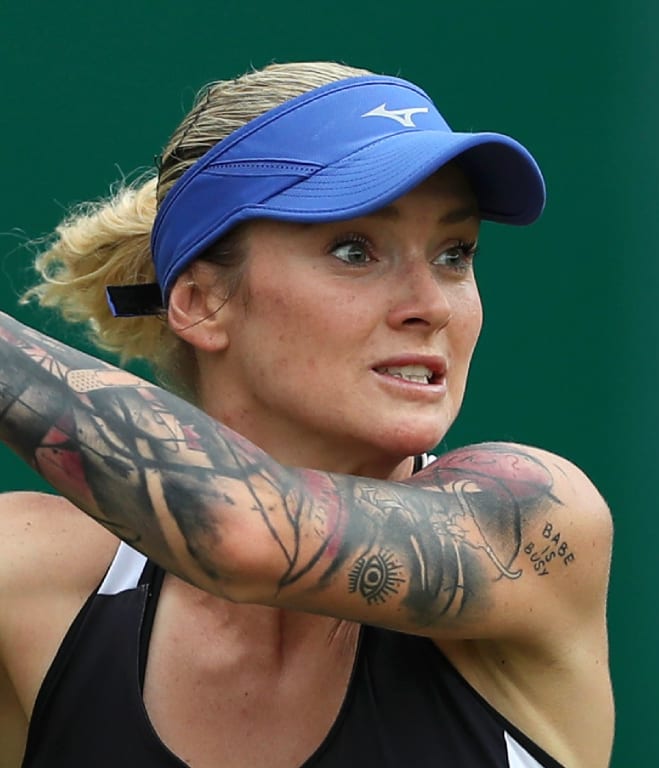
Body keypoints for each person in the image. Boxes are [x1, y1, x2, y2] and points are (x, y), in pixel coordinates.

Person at [0, 61, 614, 768]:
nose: (432, 305)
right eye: (355, 251)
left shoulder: (532, 524)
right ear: (202, 302)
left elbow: (237, 528)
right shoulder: (26, 579)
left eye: (455, 254)